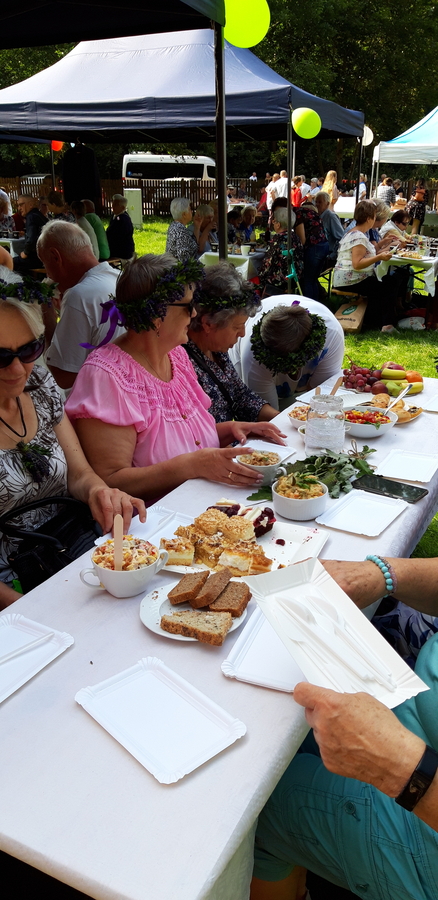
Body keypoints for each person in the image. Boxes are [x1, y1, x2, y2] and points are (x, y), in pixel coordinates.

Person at [251, 556, 438, 900]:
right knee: (271, 731)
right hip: (420, 710)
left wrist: (400, 766)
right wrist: (385, 574)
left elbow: (406, 768)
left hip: (425, 824)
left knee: (252, 797)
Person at [65, 254, 286, 503]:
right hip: (156, 525)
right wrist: (192, 465)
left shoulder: (176, 356)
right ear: (157, 314)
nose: (194, 315)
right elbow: (110, 482)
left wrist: (231, 430)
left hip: (205, 505)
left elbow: (184, 439)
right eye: (189, 306)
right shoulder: (106, 376)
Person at [0, 282, 145, 609]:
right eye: (0, 357)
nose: (16, 369)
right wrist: (25, 608)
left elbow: (79, 473)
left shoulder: (38, 383)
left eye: (28, 350)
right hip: (14, 587)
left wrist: (98, 492)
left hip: (69, 551)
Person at [186, 262, 279, 423]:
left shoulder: (216, 348)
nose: (242, 334)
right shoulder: (181, 362)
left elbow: (242, 396)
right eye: (237, 327)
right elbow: (197, 434)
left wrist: (284, 420)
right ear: (208, 323)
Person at [37, 221, 124, 391]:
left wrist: (47, 315)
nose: (48, 274)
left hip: (101, 404)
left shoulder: (79, 296)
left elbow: (62, 377)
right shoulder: (119, 277)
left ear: (56, 257)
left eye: (46, 266)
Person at [229, 297, 344, 408]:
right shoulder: (253, 353)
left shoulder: (331, 335)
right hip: (250, 358)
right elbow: (264, 413)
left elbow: (320, 396)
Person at [333, 200, 394, 327]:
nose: (375, 220)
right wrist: (379, 257)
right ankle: (383, 324)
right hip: (349, 281)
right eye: (374, 217)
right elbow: (357, 264)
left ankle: (375, 320)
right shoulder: (359, 236)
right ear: (368, 219)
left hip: (348, 278)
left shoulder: (354, 233)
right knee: (386, 287)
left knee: (385, 283)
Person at [258, 206, 304, 296]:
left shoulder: (278, 238)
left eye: (274, 221)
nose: (273, 223)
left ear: (278, 224)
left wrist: (260, 274)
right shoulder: (295, 237)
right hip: (295, 277)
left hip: (280, 281)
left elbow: (268, 263)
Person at [294, 198, 329, 300]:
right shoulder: (308, 212)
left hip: (314, 248)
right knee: (313, 279)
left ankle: (309, 309)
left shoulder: (298, 214)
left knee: (307, 281)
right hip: (324, 245)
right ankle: (316, 306)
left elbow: (302, 240)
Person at [166, 197, 211, 262]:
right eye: (190, 209)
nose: (192, 212)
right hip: (179, 269)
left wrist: (197, 226)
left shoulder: (175, 226)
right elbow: (183, 256)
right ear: (184, 214)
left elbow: (193, 245)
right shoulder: (179, 230)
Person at [12, 196, 47, 274]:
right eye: (18, 205)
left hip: (38, 259)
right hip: (45, 257)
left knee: (10, 262)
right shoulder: (38, 215)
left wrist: (25, 253)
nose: (19, 208)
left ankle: (25, 284)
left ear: (30, 205)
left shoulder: (31, 217)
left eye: (21, 205)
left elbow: (31, 240)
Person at [314, 191, 344, 264]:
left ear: (327, 204)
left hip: (326, 255)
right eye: (316, 202)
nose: (317, 204)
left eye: (320, 202)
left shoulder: (331, 217)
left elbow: (341, 237)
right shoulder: (316, 216)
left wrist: (332, 255)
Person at [106, 194, 135, 261]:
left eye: (116, 205)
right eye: (112, 204)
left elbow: (117, 236)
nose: (113, 206)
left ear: (122, 208)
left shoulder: (123, 219)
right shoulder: (115, 216)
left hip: (122, 252)